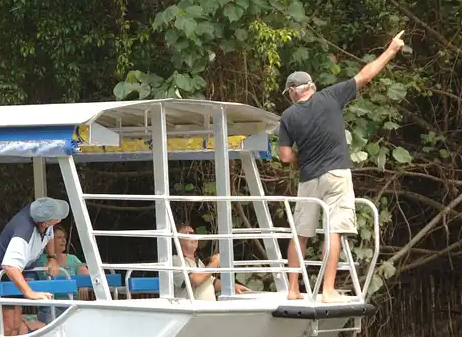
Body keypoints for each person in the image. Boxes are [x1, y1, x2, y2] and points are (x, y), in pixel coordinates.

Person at [277, 30, 406, 302]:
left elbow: (286, 157)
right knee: (333, 230)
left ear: (292, 91)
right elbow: (366, 74)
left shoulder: (287, 116)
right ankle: (327, 290)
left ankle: (292, 289)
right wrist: (392, 50)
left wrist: (303, 156)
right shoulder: (331, 96)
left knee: (300, 234)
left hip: (309, 178)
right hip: (336, 173)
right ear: (311, 86)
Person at [0, 197, 67, 336]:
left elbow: (49, 234)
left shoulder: (42, 214)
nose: (59, 220)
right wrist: (29, 292)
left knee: (16, 324)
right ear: (45, 222)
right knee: (8, 325)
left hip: (17, 272)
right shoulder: (24, 232)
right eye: (56, 219)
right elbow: (10, 265)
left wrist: (52, 257)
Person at [171, 223, 251, 300]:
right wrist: (215, 262)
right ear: (178, 240)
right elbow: (196, 280)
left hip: (208, 309)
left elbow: (211, 282)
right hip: (192, 311)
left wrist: (232, 287)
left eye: (193, 233)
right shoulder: (175, 260)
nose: (193, 236)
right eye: (188, 233)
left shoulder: (197, 261)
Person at [35, 224, 88, 324]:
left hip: (73, 306)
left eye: (64, 237)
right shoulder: (39, 260)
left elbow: (86, 274)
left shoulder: (72, 258)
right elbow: (30, 278)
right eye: (59, 237)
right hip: (49, 307)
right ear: (49, 240)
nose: (63, 240)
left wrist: (84, 284)